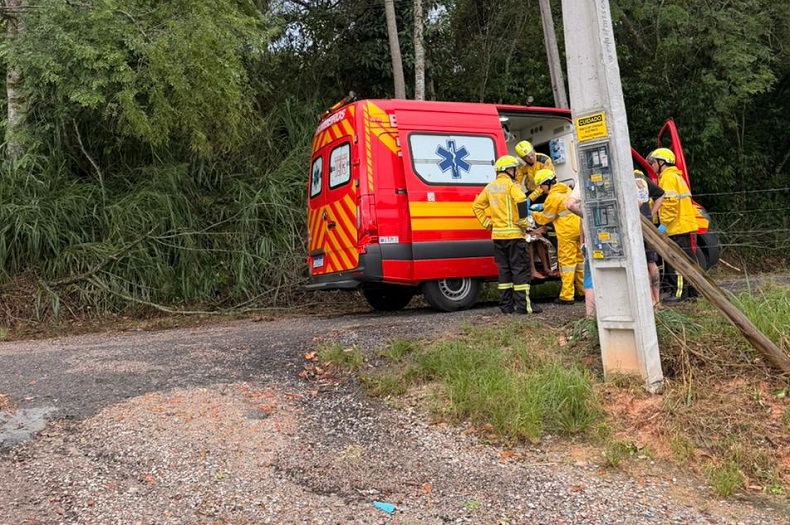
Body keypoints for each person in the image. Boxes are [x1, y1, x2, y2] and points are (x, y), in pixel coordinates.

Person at [472, 155, 541, 315]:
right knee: (519, 271)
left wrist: (488, 224)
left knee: (504, 272)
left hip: (498, 238)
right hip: (515, 237)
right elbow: (522, 200)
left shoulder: (490, 187)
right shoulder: (511, 185)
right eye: (514, 169)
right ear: (508, 170)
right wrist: (525, 223)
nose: (515, 172)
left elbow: (476, 207)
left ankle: (506, 307)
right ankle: (524, 307)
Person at [647, 148, 698, 302]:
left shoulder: (668, 178)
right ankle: (691, 292)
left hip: (674, 227)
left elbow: (669, 205)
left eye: (653, 162)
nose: (652, 166)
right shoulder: (674, 176)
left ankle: (679, 294)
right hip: (681, 225)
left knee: (675, 262)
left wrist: (662, 225)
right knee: (687, 260)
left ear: (662, 162)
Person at [530, 169, 584, 305]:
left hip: (566, 232)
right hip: (578, 228)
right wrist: (543, 206)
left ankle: (566, 296)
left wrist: (532, 213)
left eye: (541, 186)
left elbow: (545, 218)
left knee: (567, 263)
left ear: (547, 183)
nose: (541, 189)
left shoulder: (552, 197)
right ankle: (583, 291)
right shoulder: (565, 189)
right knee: (579, 261)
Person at [514, 140, 554, 279]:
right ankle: (538, 270)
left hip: (544, 195)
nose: (530, 157)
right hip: (531, 196)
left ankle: (548, 268)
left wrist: (529, 199)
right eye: (527, 157)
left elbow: (546, 184)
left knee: (543, 235)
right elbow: (517, 182)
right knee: (532, 236)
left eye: (531, 154)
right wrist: (520, 196)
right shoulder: (523, 165)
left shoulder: (544, 160)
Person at [634, 169, 665, 306]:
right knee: (651, 263)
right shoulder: (642, 178)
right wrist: (651, 214)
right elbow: (661, 194)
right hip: (648, 225)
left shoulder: (623, 179)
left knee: (641, 264)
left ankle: (649, 300)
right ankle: (657, 300)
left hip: (635, 226)